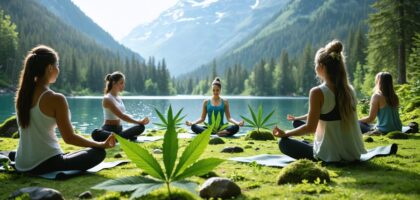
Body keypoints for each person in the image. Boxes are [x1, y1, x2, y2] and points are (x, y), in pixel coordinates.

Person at [10, 45, 115, 175]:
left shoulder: (22, 96)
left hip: (22, 163)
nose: (58, 69)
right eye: (57, 65)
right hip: (46, 163)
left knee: (14, 153)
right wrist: (100, 145)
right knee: (98, 153)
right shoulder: (56, 98)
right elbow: (69, 138)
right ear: (49, 68)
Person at [272, 40, 366, 162]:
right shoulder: (350, 90)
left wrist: (286, 133)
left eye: (315, 64)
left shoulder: (318, 92)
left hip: (329, 155)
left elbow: (310, 128)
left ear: (321, 66)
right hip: (353, 154)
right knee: (303, 139)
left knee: (284, 143)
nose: (315, 67)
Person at [91, 71, 149, 142]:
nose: (123, 85)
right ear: (113, 83)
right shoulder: (107, 99)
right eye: (121, 83)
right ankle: (121, 137)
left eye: (124, 83)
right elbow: (121, 116)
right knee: (95, 133)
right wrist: (138, 121)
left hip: (119, 129)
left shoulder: (118, 98)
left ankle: (117, 138)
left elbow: (124, 115)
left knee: (141, 127)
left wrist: (139, 122)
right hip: (108, 129)